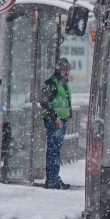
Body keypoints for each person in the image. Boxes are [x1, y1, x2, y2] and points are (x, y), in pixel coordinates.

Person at [40, 57, 72, 189]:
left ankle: (54, 178)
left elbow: (65, 101)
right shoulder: (52, 83)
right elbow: (45, 102)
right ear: (61, 70)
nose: (68, 72)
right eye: (66, 70)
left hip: (61, 121)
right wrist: (56, 117)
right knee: (54, 151)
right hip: (55, 122)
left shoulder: (63, 83)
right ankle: (53, 179)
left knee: (55, 151)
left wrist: (68, 116)